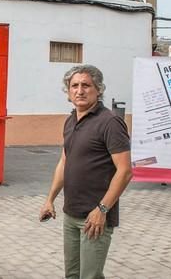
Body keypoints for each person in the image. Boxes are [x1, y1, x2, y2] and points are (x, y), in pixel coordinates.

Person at [39, 65, 132, 279]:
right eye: (74, 86)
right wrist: (49, 199)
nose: (80, 91)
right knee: (72, 275)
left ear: (98, 89)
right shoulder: (71, 120)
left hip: (95, 217)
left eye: (86, 85)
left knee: (89, 276)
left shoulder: (110, 122)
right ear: (68, 91)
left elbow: (125, 171)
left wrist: (102, 209)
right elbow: (64, 161)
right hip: (71, 214)